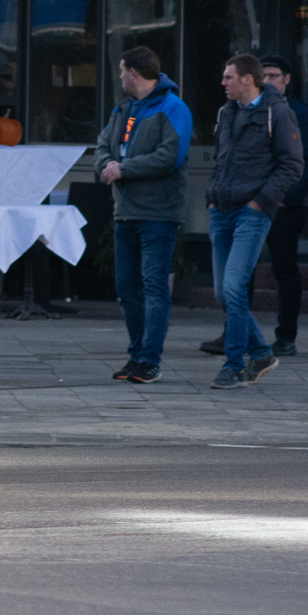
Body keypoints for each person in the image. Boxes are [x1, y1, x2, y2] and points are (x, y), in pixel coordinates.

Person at [200, 55, 308, 358]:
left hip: (253, 211)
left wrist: (261, 201)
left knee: (238, 287)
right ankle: (262, 353)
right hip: (223, 210)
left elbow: (294, 164)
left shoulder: (278, 112)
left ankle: (236, 364)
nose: (223, 83)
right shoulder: (227, 112)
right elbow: (222, 160)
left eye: (228, 77)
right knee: (224, 292)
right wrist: (212, 199)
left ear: (247, 80)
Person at [94, 47, 192, 384]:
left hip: (158, 214)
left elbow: (169, 157)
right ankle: (136, 356)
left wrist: (122, 168)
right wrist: (107, 165)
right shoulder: (121, 110)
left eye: (122, 70)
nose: (120, 77)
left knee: (153, 286)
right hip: (125, 213)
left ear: (134, 73)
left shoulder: (173, 108)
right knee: (127, 288)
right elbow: (102, 145)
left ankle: (150, 360)